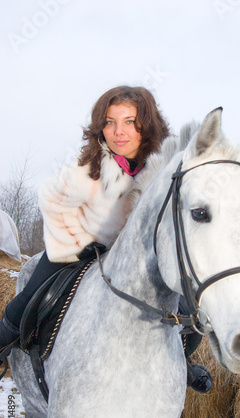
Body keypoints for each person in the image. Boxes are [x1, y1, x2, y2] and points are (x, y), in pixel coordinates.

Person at [0, 85, 212, 392]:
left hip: (134, 259)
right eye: (110, 122)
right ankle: (6, 346)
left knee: (189, 316)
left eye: (129, 121)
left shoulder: (162, 170)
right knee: (26, 303)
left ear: (146, 125)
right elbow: (51, 199)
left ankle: (182, 360)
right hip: (76, 251)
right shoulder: (87, 168)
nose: (118, 131)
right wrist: (79, 239)